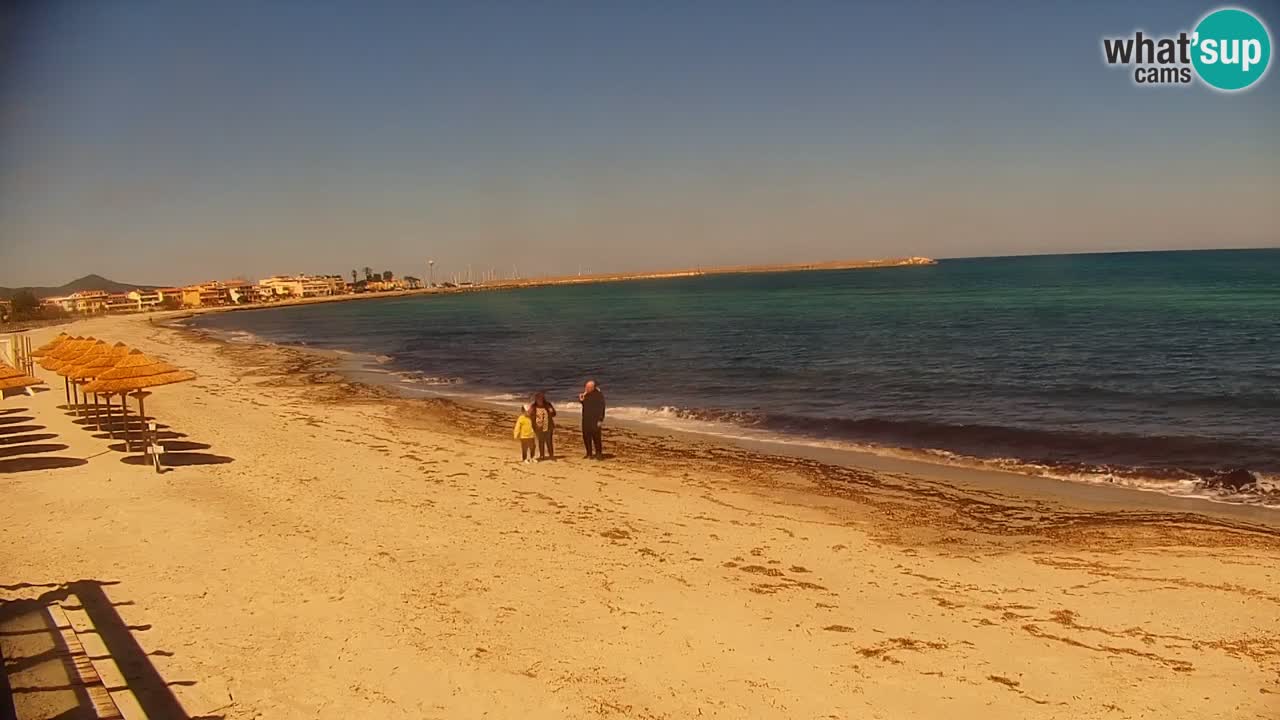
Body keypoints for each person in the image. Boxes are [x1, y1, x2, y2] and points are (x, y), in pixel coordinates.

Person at [579, 380, 606, 459]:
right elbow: (585, 404)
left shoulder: (599, 395)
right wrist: (581, 400)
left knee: (596, 437)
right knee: (586, 436)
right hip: (586, 419)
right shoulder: (586, 394)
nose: (586, 388)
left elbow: (602, 408)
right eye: (586, 387)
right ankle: (589, 453)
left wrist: (600, 420)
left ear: (593, 387)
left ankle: (598, 454)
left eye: (588, 387)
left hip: (595, 420)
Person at [530, 391, 557, 460]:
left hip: (548, 426)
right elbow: (530, 416)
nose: (540, 400)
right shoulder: (533, 406)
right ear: (536, 399)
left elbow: (554, 414)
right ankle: (542, 455)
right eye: (538, 398)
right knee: (541, 441)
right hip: (538, 427)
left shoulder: (548, 405)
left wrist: (552, 412)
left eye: (541, 398)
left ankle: (551, 455)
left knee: (549, 441)